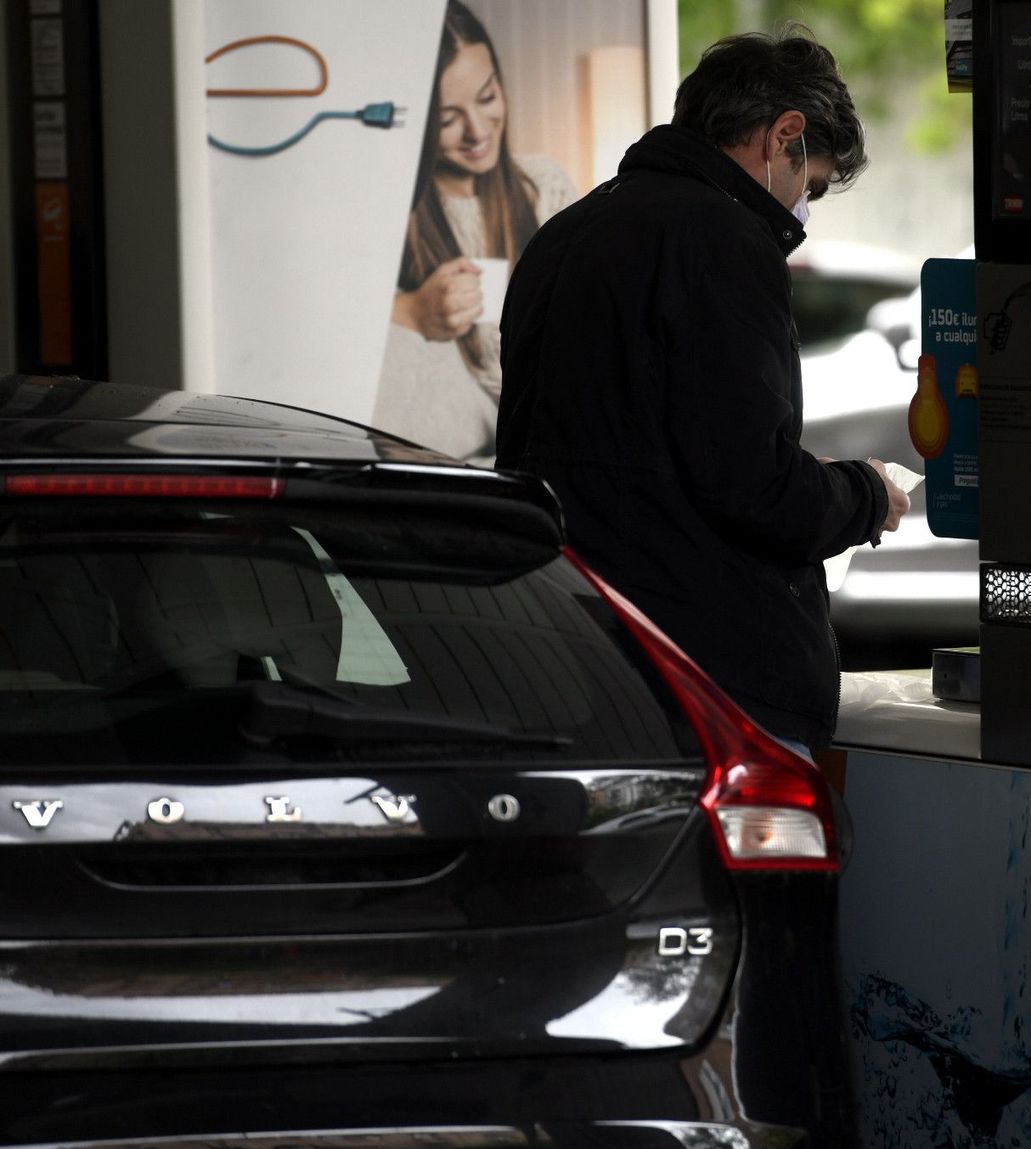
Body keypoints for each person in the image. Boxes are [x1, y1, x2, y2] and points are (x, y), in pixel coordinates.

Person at [496, 27, 911, 755]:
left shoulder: (563, 233)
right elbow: (751, 485)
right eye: (810, 185)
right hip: (701, 679)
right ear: (784, 135)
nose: (802, 210)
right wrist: (867, 495)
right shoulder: (724, 238)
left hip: (565, 651)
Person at [373, 0, 578, 463]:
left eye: (487, 97)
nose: (477, 130)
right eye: (447, 119)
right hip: (443, 434)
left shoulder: (542, 185)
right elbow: (338, 326)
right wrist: (411, 311)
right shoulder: (392, 209)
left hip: (544, 421)